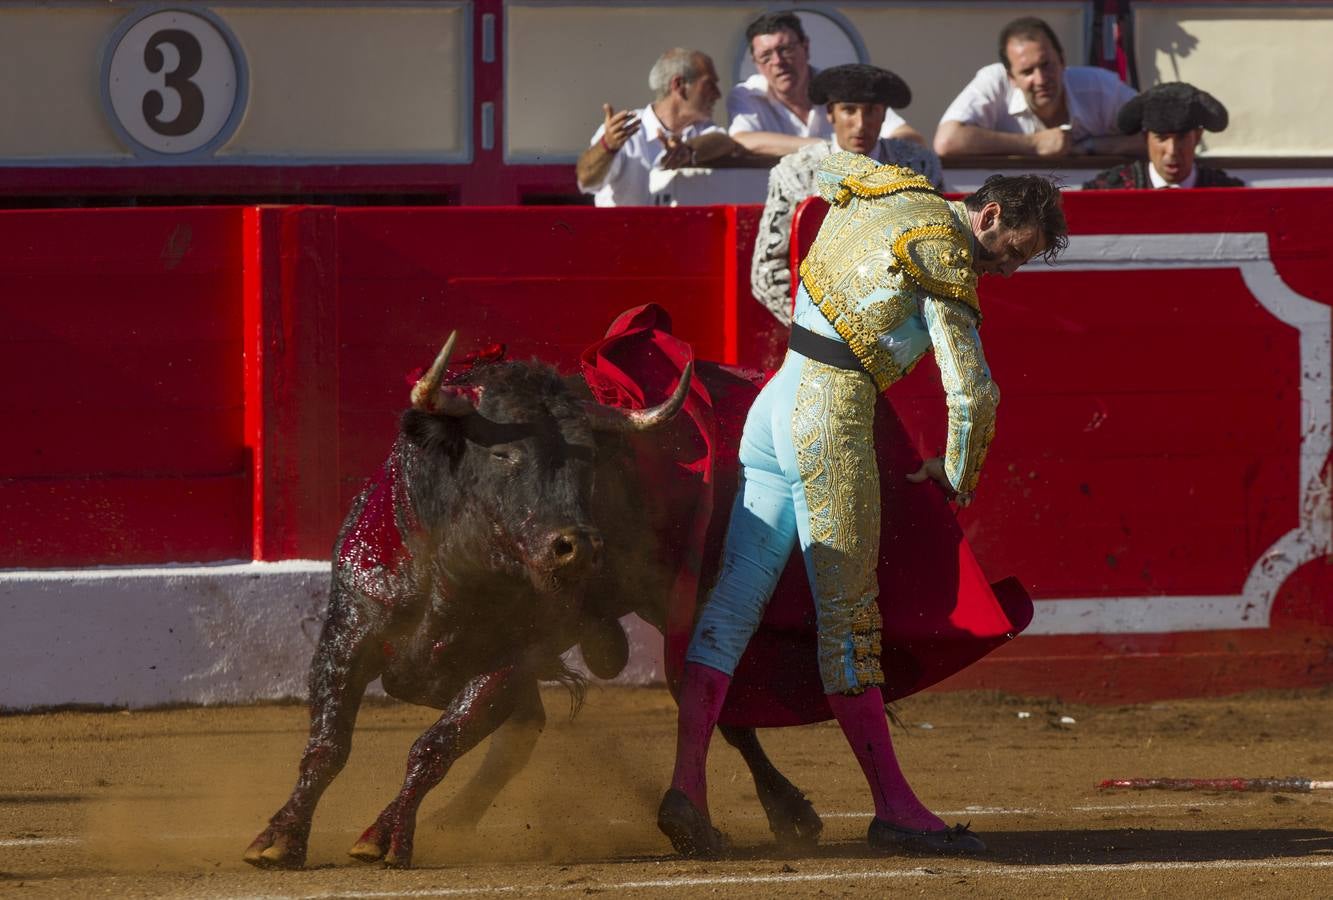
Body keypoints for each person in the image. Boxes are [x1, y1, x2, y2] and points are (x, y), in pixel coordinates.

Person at [656, 151, 1068, 859]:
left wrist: (781, 278)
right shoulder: (943, 256)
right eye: (1013, 252)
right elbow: (972, 393)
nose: (1006, 270)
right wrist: (957, 475)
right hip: (830, 420)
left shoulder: (882, 182)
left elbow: (795, 166)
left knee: (732, 604)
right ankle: (894, 808)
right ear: (990, 216)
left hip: (777, 397)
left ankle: (686, 784)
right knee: (848, 623)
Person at [751, 64, 944, 325]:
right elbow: (767, 271)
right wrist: (815, 326)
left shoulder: (919, 166)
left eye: (872, 111)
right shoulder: (795, 173)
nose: (860, 124)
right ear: (830, 113)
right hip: (819, 327)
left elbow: (941, 251)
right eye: (849, 110)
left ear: (885, 115)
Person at [727, 11, 927, 160]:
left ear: (806, 48)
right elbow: (743, 140)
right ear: (756, 63)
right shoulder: (747, 94)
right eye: (766, 56)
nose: (778, 61)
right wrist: (834, 148)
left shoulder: (843, 87)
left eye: (785, 49)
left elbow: (909, 138)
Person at [934, 16, 1140, 158]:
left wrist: (1093, 146)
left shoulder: (1099, 87)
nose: (1041, 79)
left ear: (1062, 60)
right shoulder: (993, 81)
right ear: (1010, 77)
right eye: (1027, 72)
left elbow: (1161, 134)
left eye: (1046, 65)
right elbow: (947, 142)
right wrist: (1034, 144)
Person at [577, 49, 727, 207]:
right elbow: (586, 180)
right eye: (709, 84)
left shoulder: (702, 129)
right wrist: (606, 147)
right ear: (679, 85)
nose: (718, 94)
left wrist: (689, 150)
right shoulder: (625, 130)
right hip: (625, 231)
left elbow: (725, 141)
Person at [1082, 82, 1244, 189]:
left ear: (1197, 136)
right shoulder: (1108, 190)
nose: (1172, 150)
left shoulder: (1227, 192)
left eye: (1181, 138)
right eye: (1161, 138)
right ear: (1146, 138)